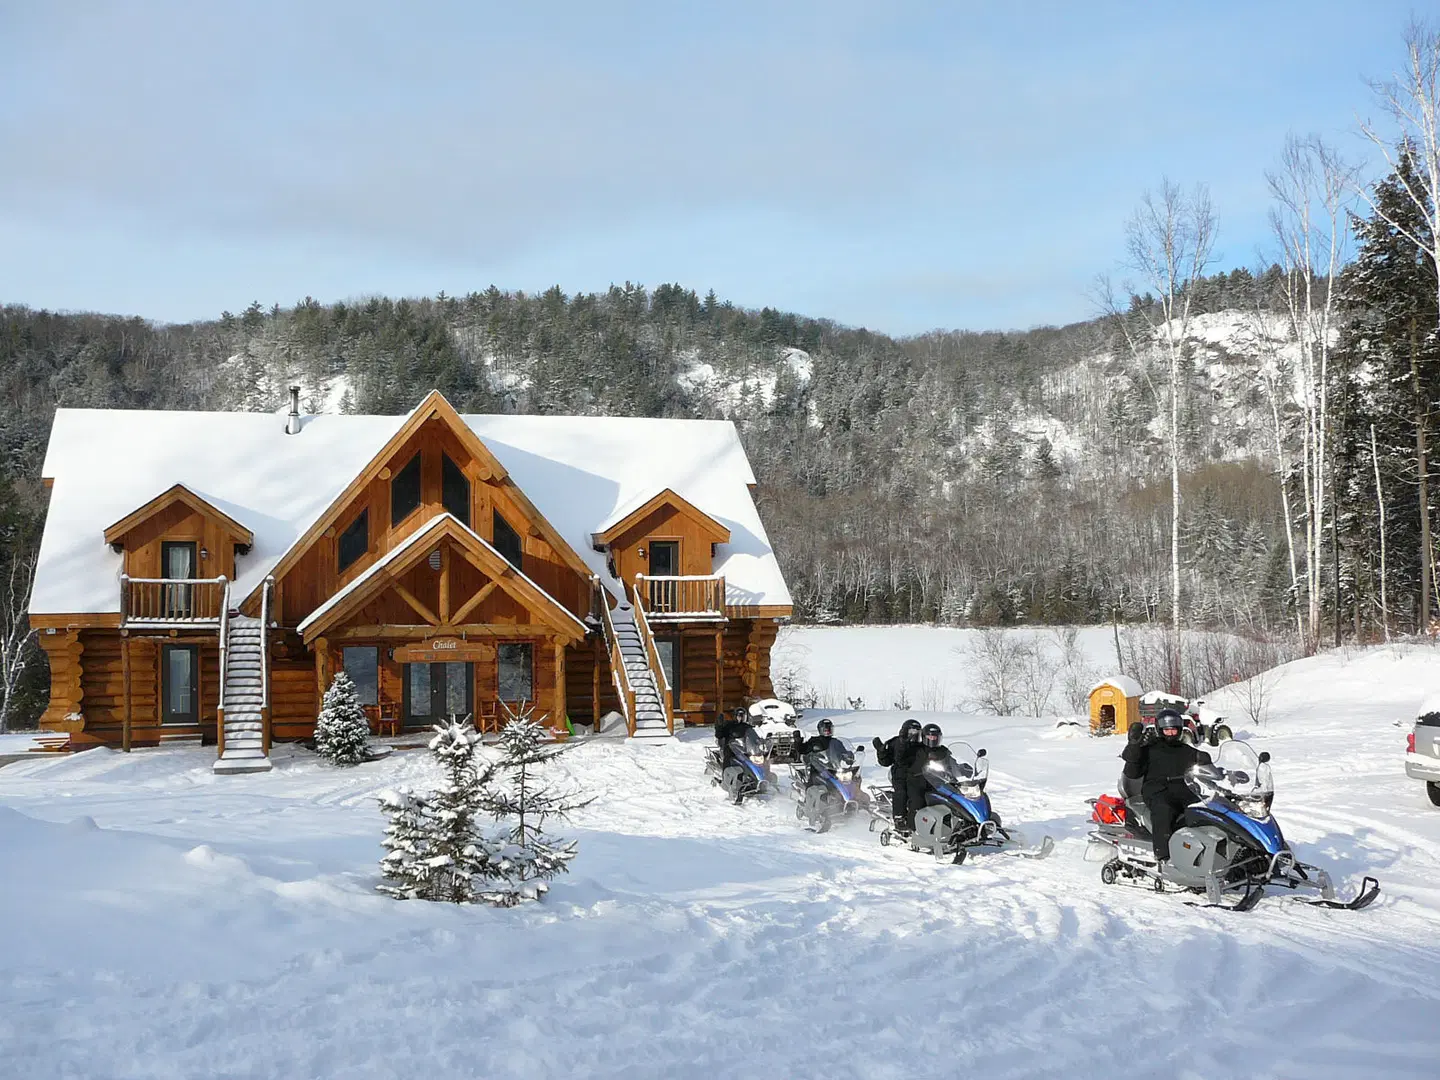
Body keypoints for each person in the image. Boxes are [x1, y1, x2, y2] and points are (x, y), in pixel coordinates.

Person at [1122, 708, 1212, 866]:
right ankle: (1164, 856)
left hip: (1185, 790)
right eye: (1167, 730)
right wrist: (1135, 746)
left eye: (1173, 730)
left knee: (1205, 810)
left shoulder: (1186, 750)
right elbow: (1132, 772)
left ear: (1179, 731)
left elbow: (1207, 770)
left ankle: (1208, 853)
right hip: (1157, 791)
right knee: (1164, 811)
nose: (1170, 734)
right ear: (1159, 730)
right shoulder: (1149, 749)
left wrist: (1209, 763)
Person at [874, 720, 922, 834]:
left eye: (917, 732)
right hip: (900, 775)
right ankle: (899, 818)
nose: (914, 734)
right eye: (912, 731)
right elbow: (885, 762)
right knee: (902, 792)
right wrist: (881, 751)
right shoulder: (895, 742)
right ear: (905, 731)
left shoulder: (921, 745)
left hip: (918, 776)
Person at [903, 723, 948, 832]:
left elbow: (951, 763)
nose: (932, 739)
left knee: (947, 802)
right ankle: (912, 829)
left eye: (934, 737)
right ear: (924, 737)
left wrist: (963, 769)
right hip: (917, 781)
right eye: (930, 737)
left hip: (936, 783)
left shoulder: (943, 751)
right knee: (918, 801)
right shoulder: (917, 749)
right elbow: (905, 759)